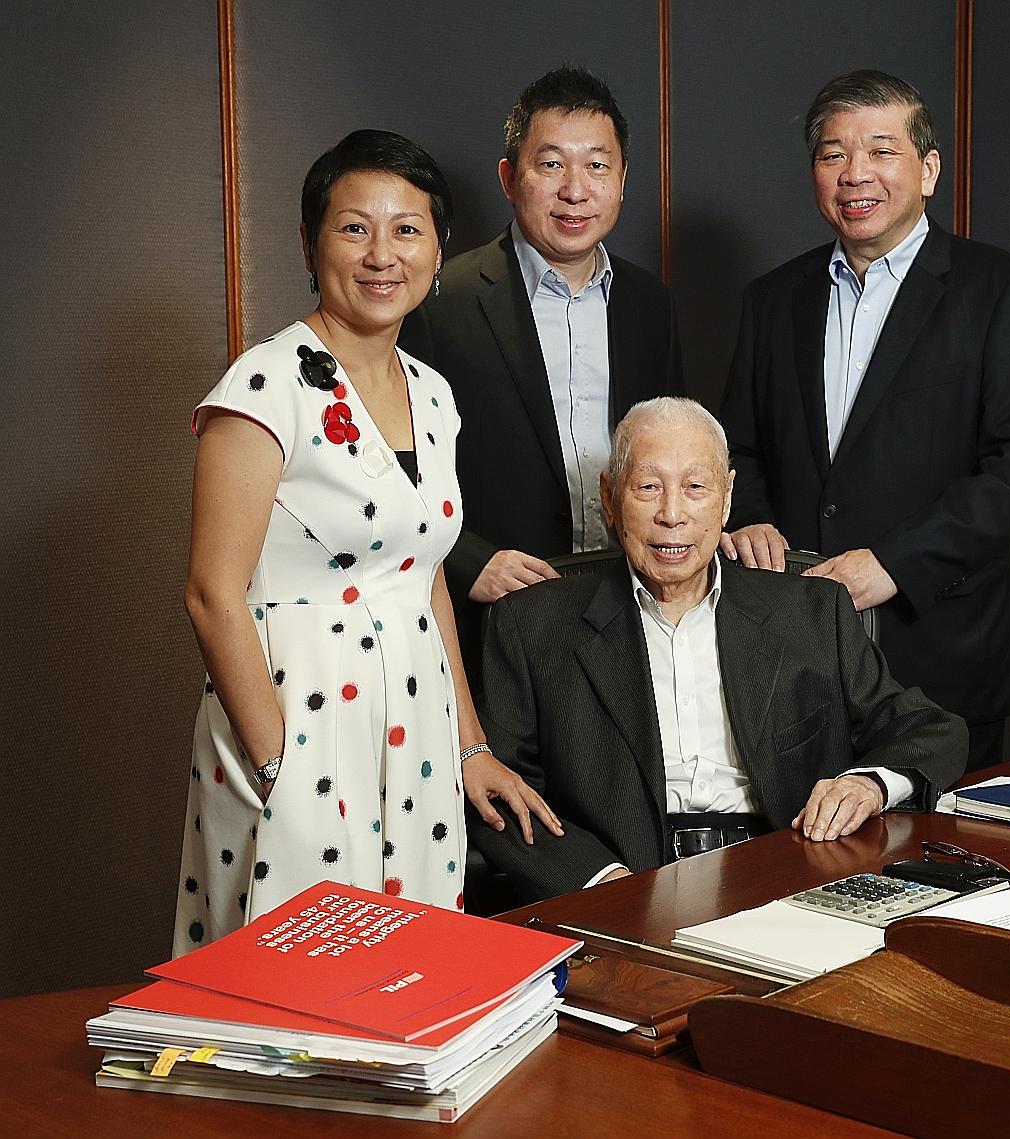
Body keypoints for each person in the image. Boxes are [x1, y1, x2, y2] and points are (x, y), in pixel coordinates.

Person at [174, 130, 558, 955]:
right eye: (354, 228)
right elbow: (211, 593)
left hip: (413, 724)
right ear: (310, 244)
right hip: (293, 716)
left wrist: (470, 745)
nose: (382, 253)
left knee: (406, 968)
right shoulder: (264, 384)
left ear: (437, 246)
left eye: (407, 229)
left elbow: (422, 581)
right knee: (290, 976)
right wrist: (278, 763)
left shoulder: (433, 393)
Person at [471, 398, 967, 902]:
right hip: (626, 882)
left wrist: (868, 785)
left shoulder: (812, 611)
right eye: (647, 487)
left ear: (727, 497)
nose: (671, 514)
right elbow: (494, 795)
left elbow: (931, 730)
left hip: (787, 869)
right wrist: (603, 884)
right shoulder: (532, 624)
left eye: (695, 488)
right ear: (609, 498)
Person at [719, 70, 1010, 772]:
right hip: (794, 648)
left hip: (941, 645)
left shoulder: (1000, 289)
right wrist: (747, 517)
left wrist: (896, 564)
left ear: (928, 169)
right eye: (832, 154)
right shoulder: (772, 298)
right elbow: (737, 447)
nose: (856, 174)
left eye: (881, 150)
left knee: (945, 867)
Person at [399, 65, 684, 695]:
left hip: (629, 612)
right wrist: (469, 562)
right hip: (492, 614)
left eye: (598, 166)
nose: (575, 190)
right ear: (509, 176)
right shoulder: (440, 301)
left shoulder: (650, 304)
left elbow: (670, 453)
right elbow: (395, 469)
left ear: (623, 178)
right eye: (551, 164)